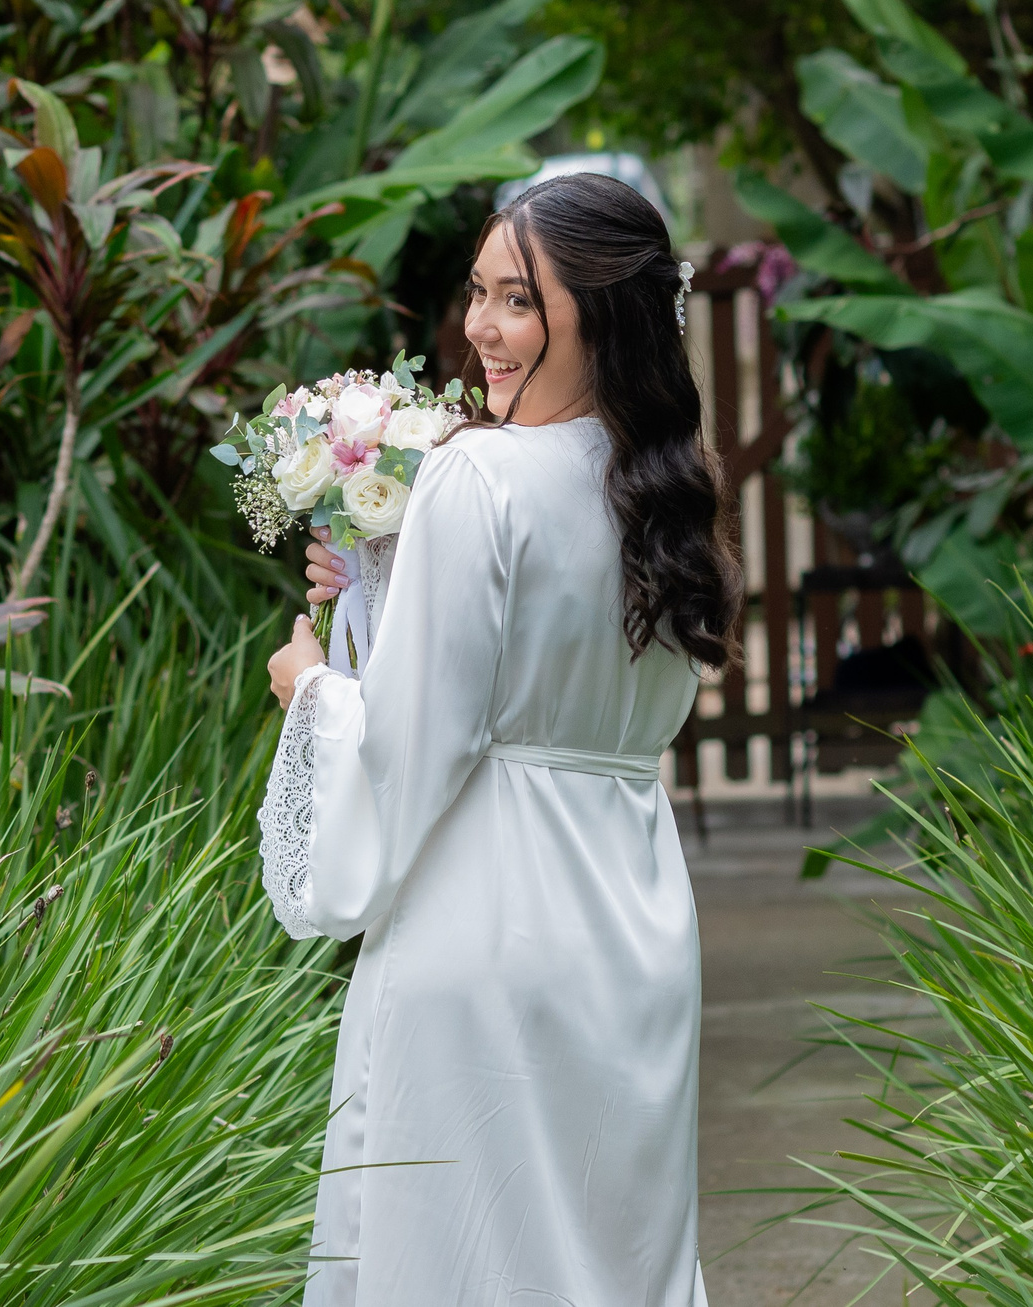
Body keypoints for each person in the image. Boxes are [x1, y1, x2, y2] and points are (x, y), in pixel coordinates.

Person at [259, 172, 741, 1306]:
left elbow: (419, 741)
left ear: (601, 313)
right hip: (634, 930)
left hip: (483, 931)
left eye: (518, 300)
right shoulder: (670, 491)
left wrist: (314, 690)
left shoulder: (476, 475)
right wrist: (386, 579)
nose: (480, 328)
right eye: (478, 294)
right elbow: (539, 688)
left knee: (467, 1264)